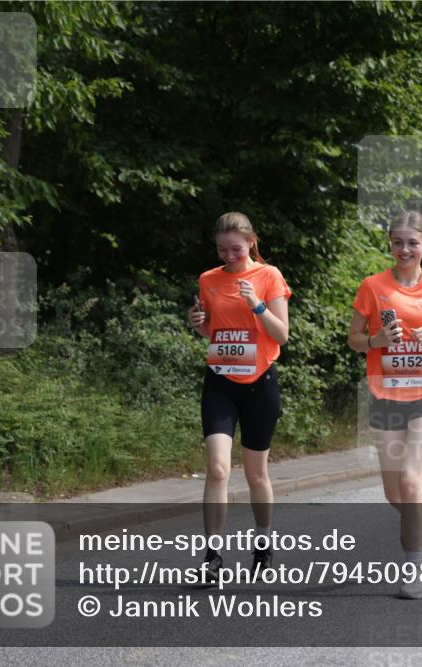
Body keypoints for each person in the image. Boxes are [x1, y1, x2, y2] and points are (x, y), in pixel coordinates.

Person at [347, 211, 422, 599]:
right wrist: (377, 340)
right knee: (394, 494)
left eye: (413, 242)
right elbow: (354, 340)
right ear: (390, 245)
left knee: (411, 481)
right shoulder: (372, 286)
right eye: (398, 242)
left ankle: (412, 568)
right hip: (385, 394)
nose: (405, 249)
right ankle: (418, 519)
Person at [187, 212, 291, 580]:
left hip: (260, 383)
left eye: (235, 249)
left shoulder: (269, 276)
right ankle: (212, 556)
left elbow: (281, 336)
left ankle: (263, 543)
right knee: (217, 467)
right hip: (220, 382)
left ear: (251, 243)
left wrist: (257, 305)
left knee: (255, 474)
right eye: (221, 250)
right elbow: (215, 332)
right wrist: (200, 326)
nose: (228, 256)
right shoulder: (208, 280)